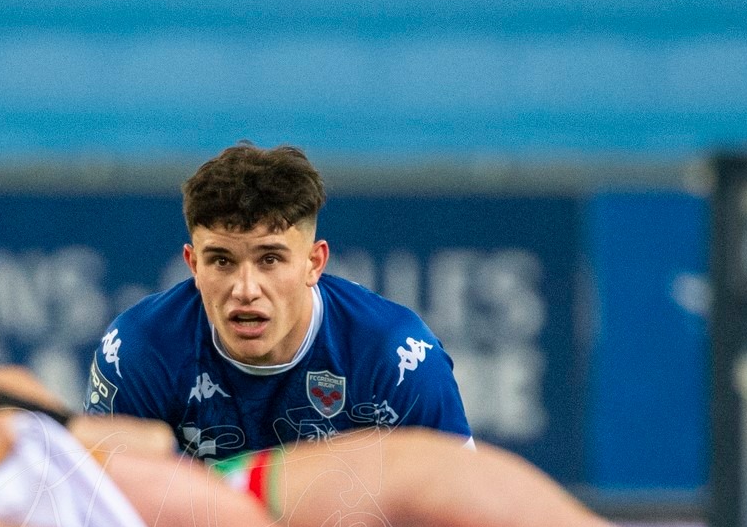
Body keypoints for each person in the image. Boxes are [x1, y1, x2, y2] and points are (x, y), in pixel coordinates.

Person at [85, 143, 471, 459]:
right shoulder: (140, 350)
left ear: (314, 263)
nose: (245, 289)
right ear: (194, 266)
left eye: (270, 259)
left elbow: (462, 502)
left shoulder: (397, 356)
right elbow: (101, 509)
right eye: (221, 260)